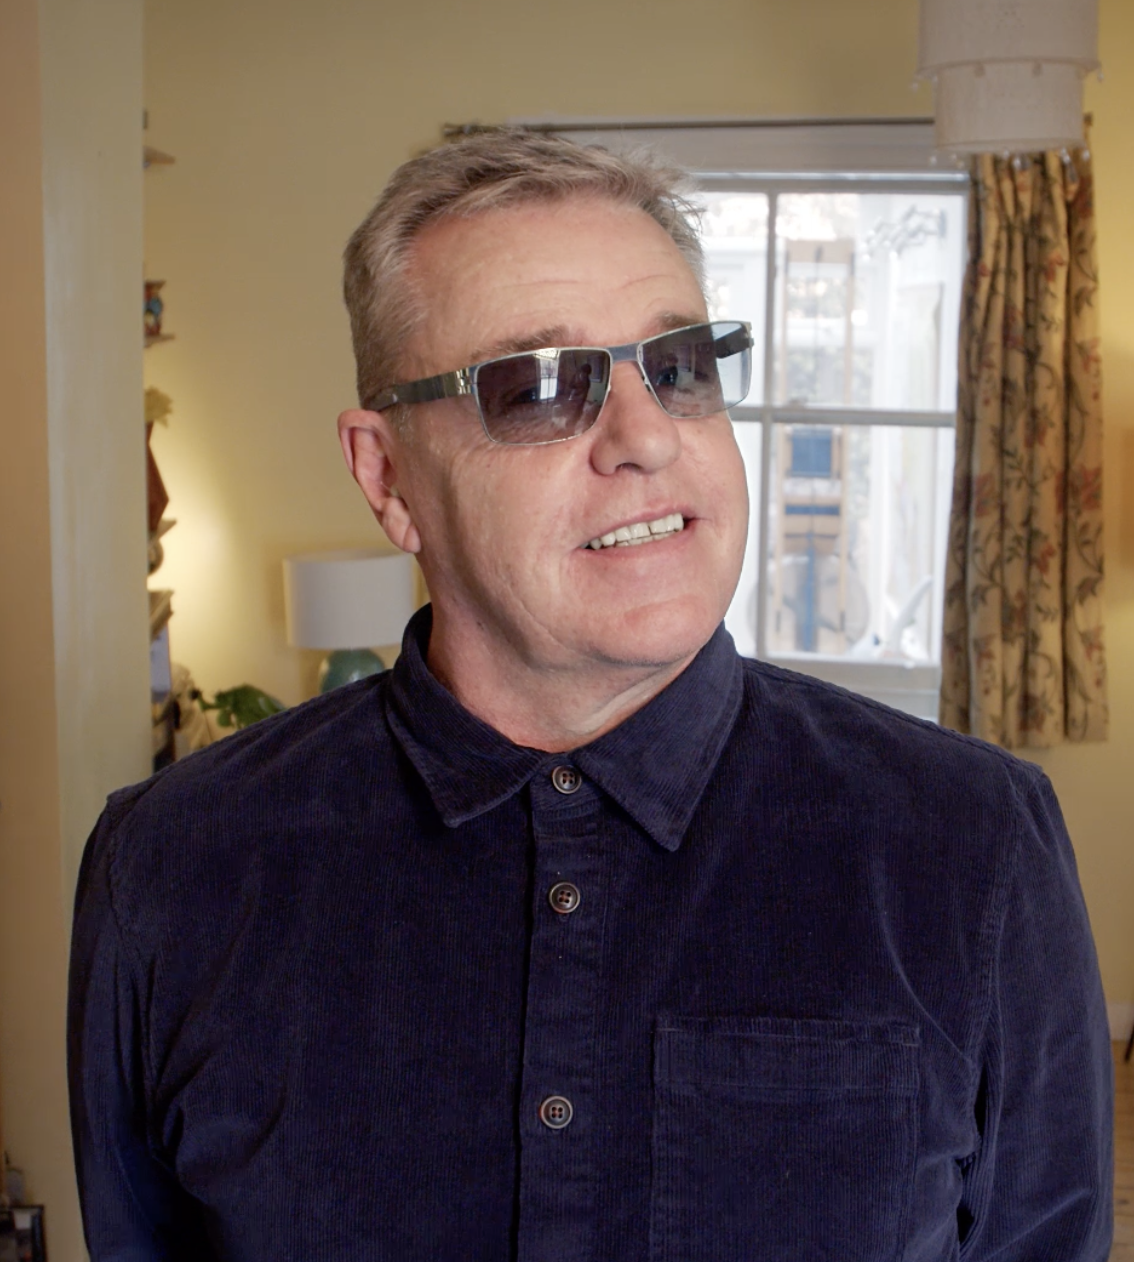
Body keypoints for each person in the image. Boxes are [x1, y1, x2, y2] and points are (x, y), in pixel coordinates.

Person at [69, 130, 1113, 1261]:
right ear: (388, 474)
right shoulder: (171, 867)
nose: (648, 436)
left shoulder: (973, 843)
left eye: (681, 367)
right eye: (540, 387)